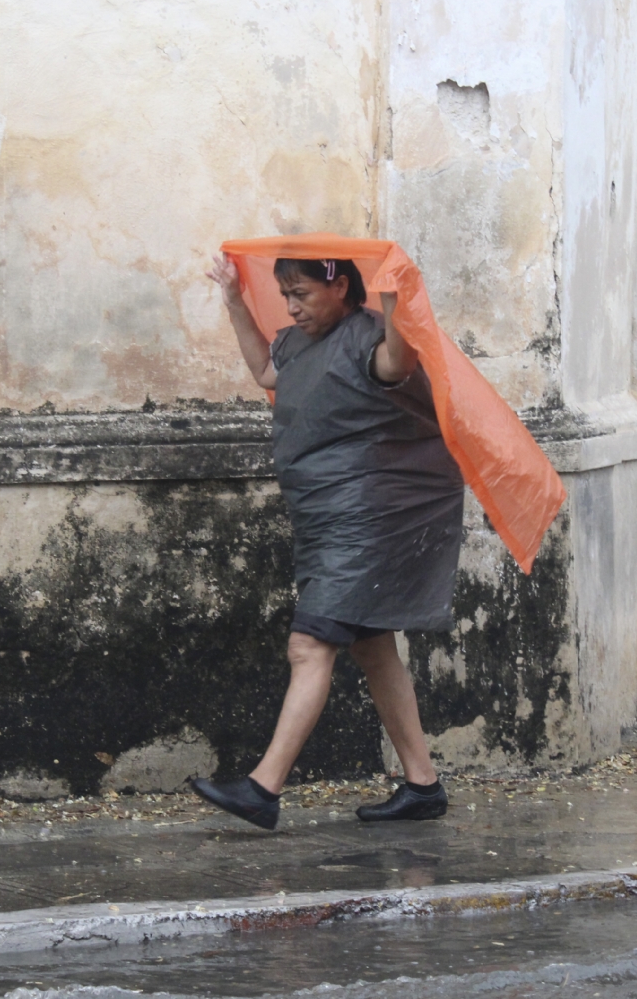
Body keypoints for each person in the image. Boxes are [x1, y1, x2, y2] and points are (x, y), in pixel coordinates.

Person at [190, 252, 466, 830]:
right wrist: (236, 302)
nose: (290, 306)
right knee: (371, 645)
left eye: (302, 293)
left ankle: (263, 790)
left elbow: (399, 359)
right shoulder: (296, 342)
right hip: (323, 518)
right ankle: (422, 785)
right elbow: (268, 372)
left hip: (366, 518)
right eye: (284, 294)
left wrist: (393, 299)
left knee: (309, 646)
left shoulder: (368, 337)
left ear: (339, 287)